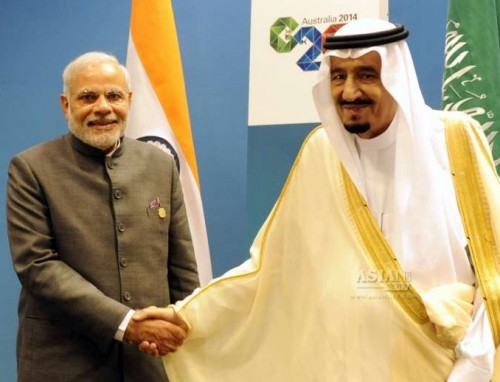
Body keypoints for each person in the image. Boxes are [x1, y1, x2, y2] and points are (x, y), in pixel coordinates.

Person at [137, 19, 500, 381]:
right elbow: (268, 270)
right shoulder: (322, 151)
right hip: (348, 365)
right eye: (338, 76)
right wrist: (187, 318)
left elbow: (493, 265)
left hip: (446, 367)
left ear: (396, 75)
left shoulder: (453, 140)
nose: (349, 91)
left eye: (366, 75)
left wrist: (474, 365)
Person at [6, 51, 200, 381]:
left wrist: (183, 321)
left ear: (129, 100)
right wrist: (126, 324)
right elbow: (37, 266)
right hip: (63, 362)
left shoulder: (160, 165)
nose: (103, 107)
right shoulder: (31, 168)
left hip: (149, 362)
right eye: (87, 97)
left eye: (113, 95)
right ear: (66, 105)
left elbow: (181, 267)